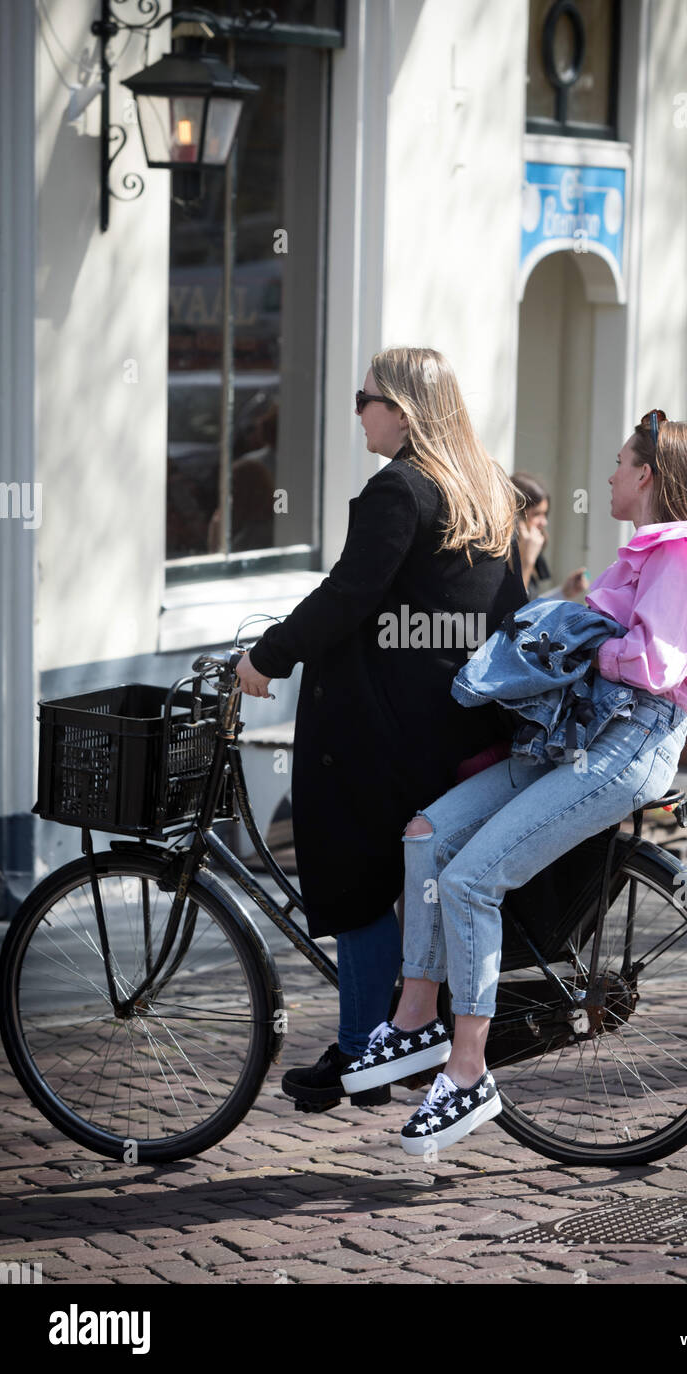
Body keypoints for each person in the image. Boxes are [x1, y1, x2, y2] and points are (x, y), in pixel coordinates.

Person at [340, 409, 687, 1152]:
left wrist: (572, 645)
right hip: (576, 738)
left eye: (620, 462)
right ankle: (413, 1022)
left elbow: (656, 666)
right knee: (426, 834)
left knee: (471, 879)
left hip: (623, 747)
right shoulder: (655, 550)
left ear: (648, 477)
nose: (608, 475)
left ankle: (467, 1073)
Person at [235, 347, 526, 1111]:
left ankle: (366, 1046)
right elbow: (505, 610)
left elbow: (349, 592)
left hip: (390, 731)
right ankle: (390, 1037)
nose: (357, 410)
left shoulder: (398, 488)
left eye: (364, 398)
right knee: (397, 878)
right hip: (462, 729)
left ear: (398, 409)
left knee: (346, 871)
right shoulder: (485, 487)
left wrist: (269, 656)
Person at [511, 470, 588, 602]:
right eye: (536, 514)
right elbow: (511, 612)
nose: (544, 522)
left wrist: (563, 593)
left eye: (545, 514)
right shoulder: (500, 558)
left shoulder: (529, 552)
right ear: (515, 515)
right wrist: (526, 564)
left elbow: (529, 607)